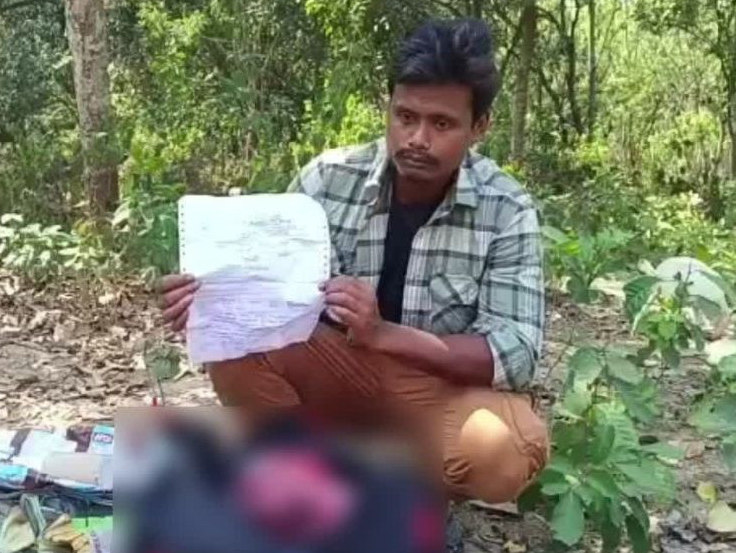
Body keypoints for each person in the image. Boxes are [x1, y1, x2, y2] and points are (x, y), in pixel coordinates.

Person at [159, 17, 549, 505]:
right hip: (338, 375)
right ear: (388, 108)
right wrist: (206, 303)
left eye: (442, 124)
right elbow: (264, 296)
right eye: (405, 116)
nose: (417, 138)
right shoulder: (327, 180)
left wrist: (385, 334)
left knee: (507, 449)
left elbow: (515, 352)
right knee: (236, 347)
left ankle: (404, 495)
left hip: (437, 395)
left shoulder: (506, 208)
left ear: (480, 127)